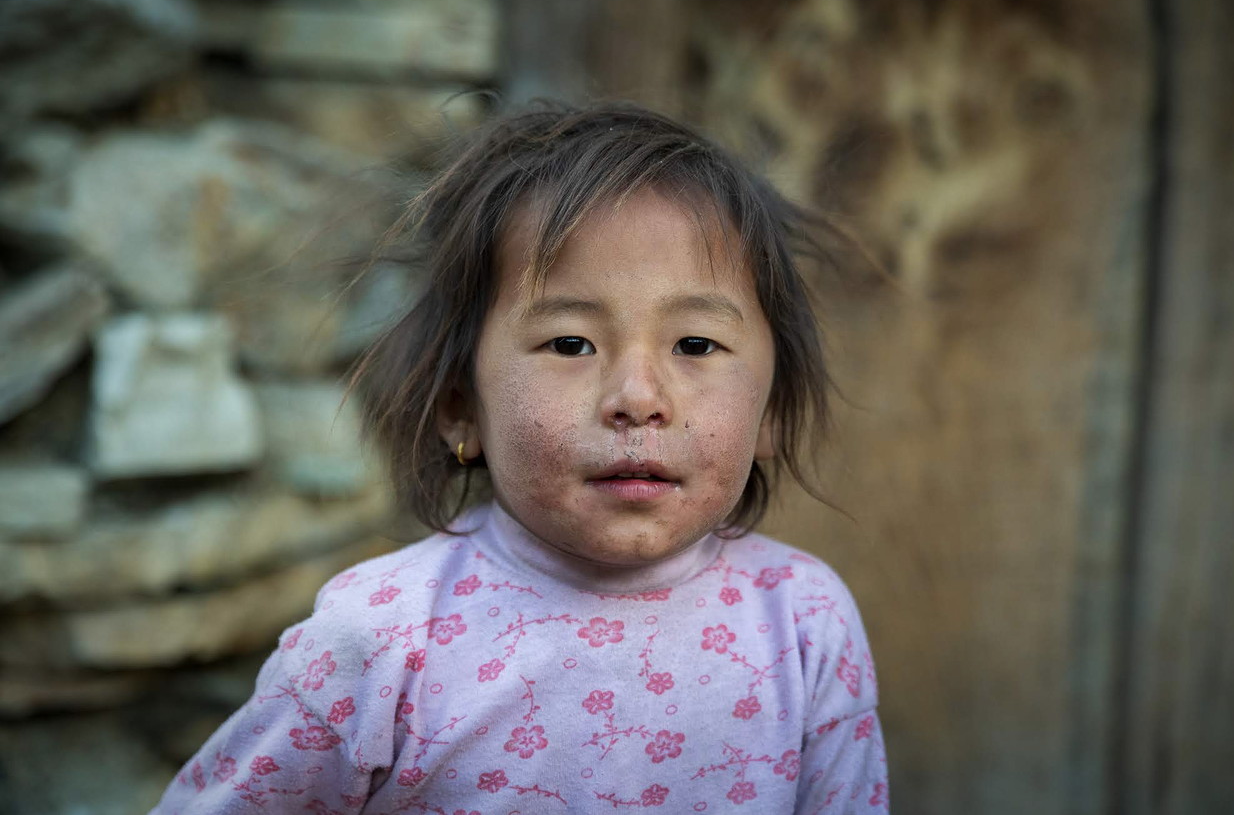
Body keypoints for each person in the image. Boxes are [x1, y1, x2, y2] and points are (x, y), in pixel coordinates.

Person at [150, 102, 889, 813]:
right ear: (459, 408)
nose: (637, 395)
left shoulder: (802, 621)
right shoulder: (380, 639)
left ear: (770, 414)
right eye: (570, 343)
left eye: (695, 344)